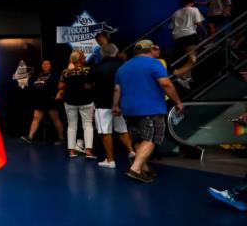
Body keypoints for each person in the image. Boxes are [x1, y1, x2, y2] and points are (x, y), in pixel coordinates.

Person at [112, 40, 184, 183]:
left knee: (139, 138)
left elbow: (117, 89)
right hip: (150, 108)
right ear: (150, 49)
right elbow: (165, 83)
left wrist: (115, 106)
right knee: (151, 138)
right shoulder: (155, 63)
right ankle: (135, 168)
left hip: (129, 109)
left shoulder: (123, 67)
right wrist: (177, 101)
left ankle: (144, 168)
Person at [92, 44, 134, 168]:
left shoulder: (98, 67)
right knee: (122, 129)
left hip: (102, 103)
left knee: (105, 132)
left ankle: (110, 160)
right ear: (116, 52)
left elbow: (89, 84)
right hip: (119, 103)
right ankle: (131, 151)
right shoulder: (123, 66)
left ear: (102, 53)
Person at [56, 50, 96, 159]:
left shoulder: (65, 72)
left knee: (71, 126)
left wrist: (70, 85)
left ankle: (72, 151)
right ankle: (88, 151)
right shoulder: (88, 70)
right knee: (87, 125)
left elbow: (60, 86)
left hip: (70, 101)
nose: (85, 58)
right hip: (86, 101)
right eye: (83, 56)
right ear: (81, 59)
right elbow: (91, 85)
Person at [20, 60, 65, 145]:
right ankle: (30, 137)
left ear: (50, 65)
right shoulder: (38, 75)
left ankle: (61, 138)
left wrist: (57, 94)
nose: (45, 65)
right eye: (43, 64)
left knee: (55, 119)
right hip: (39, 100)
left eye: (47, 64)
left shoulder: (54, 75)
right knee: (36, 118)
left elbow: (59, 86)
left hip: (50, 100)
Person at [170, 0, 205, 66]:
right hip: (189, 36)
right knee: (192, 57)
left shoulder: (175, 13)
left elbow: (171, 27)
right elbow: (199, 23)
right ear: (192, 2)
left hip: (177, 38)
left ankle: (183, 75)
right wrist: (204, 33)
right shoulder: (194, 9)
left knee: (182, 59)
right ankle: (186, 75)